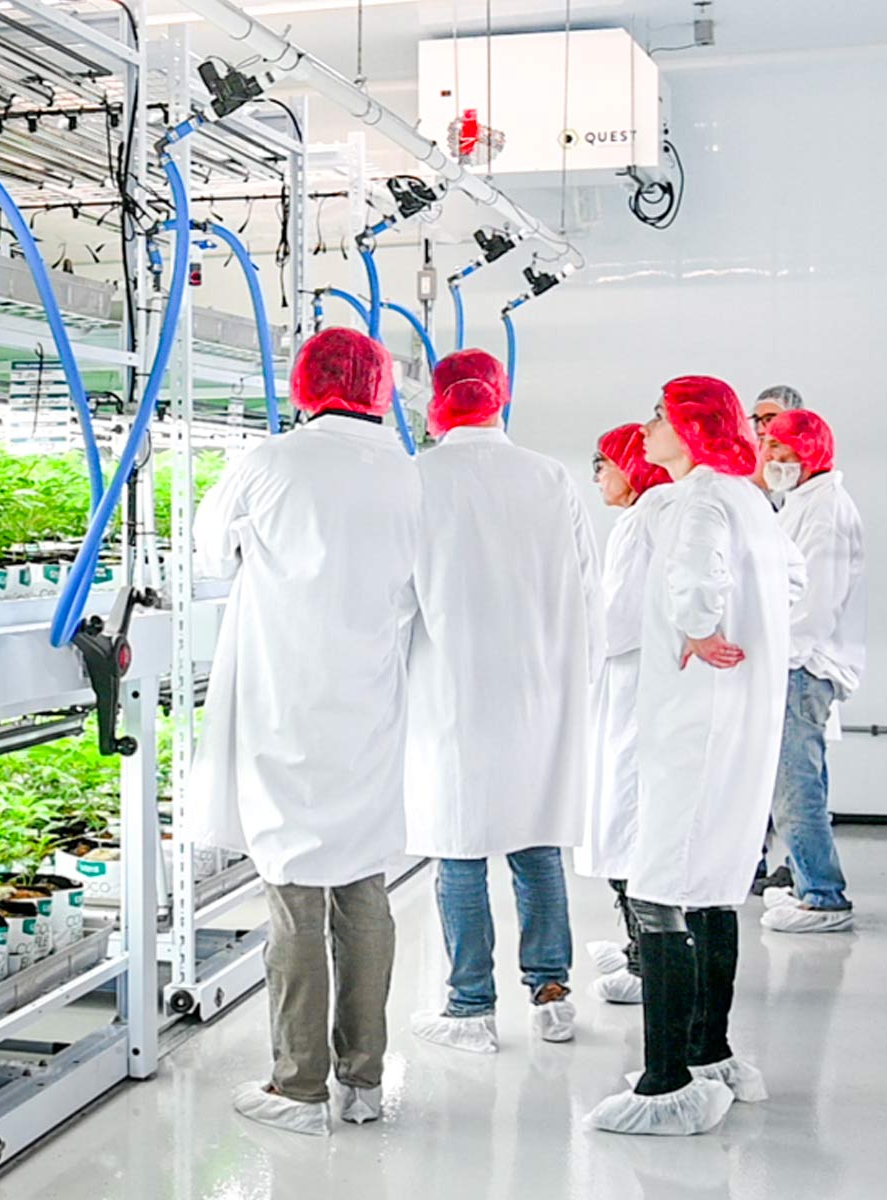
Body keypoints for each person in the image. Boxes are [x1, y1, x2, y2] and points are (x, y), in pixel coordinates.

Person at [189, 328, 420, 1136]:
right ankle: (362, 1080)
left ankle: (299, 1088)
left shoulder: (271, 460)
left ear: (304, 384)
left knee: (295, 897)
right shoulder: (406, 472)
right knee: (364, 888)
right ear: (379, 387)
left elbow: (208, 554)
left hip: (288, 700)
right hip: (372, 705)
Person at [588, 376, 804, 1137]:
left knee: (658, 886)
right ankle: (711, 1051)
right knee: (714, 884)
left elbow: (691, 581)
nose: (646, 431)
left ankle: (665, 1081)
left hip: (694, 715)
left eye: (659, 416)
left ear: (690, 426)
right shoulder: (749, 496)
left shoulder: (692, 501)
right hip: (741, 716)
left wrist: (696, 625)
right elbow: (795, 583)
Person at [404, 348, 603, 1054]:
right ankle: (551, 994)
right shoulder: (550, 477)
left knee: (457, 848)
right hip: (539, 689)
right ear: (500, 398)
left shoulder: (419, 477)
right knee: (534, 839)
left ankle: (470, 1008)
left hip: (449, 688)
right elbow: (587, 586)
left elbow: (397, 595)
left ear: (438, 404)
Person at [757, 409, 866, 933]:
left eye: (782, 449)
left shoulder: (824, 509)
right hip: (798, 661)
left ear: (811, 452)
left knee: (793, 784)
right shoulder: (802, 503)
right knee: (804, 780)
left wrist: (774, 659)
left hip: (801, 665)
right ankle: (808, 886)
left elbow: (816, 604)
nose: (772, 458)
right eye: (769, 448)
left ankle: (824, 897)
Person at [577, 424, 674, 1006]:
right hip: (631, 690)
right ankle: (634, 941)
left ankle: (644, 959)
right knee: (621, 820)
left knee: (629, 823)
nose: (596, 477)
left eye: (602, 463)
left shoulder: (642, 523)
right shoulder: (641, 518)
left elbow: (616, 622)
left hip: (637, 692)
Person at [751, 384, 805, 508]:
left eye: (769, 419)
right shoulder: (753, 467)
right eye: (757, 420)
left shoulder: (806, 469)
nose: (760, 428)